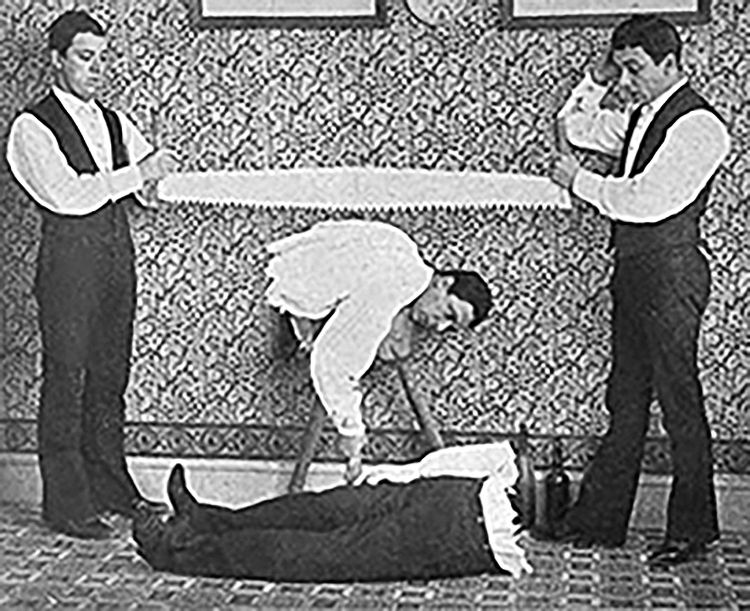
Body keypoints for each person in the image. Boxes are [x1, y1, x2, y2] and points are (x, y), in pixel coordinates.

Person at [541, 15, 730, 567]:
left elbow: (648, 200)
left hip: (671, 273)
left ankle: (693, 531)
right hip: (635, 271)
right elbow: (576, 126)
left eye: (635, 69)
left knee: (678, 401)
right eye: (621, 68)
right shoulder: (639, 117)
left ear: (671, 63)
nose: (626, 81)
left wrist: (579, 182)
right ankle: (599, 523)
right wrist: (597, 78)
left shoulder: (699, 126)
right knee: (625, 399)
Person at [6, 10, 179, 539]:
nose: (97, 68)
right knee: (67, 377)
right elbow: (68, 195)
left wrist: (157, 180)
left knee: (110, 377)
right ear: (56, 60)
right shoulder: (31, 127)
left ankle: (110, 487)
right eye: (85, 57)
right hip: (68, 265)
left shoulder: (115, 121)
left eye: (102, 58)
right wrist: (137, 174)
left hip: (115, 260)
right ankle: (66, 504)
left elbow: (146, 192)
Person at [265, 219, 493, 487]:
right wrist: (352, 433)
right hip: (289, 283)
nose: (439, 327)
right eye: (449, 313)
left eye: (450, 326)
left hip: (303, 261)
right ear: (443, 283)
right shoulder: (393, 288)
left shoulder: (405, 248)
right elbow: (334, 363)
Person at [133, 442, 532, 582]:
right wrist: (407, 473)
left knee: (321, 550)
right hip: (458, 495)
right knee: (320, 511)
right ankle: (205, 520)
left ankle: (177, 551)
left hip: (469, 524)